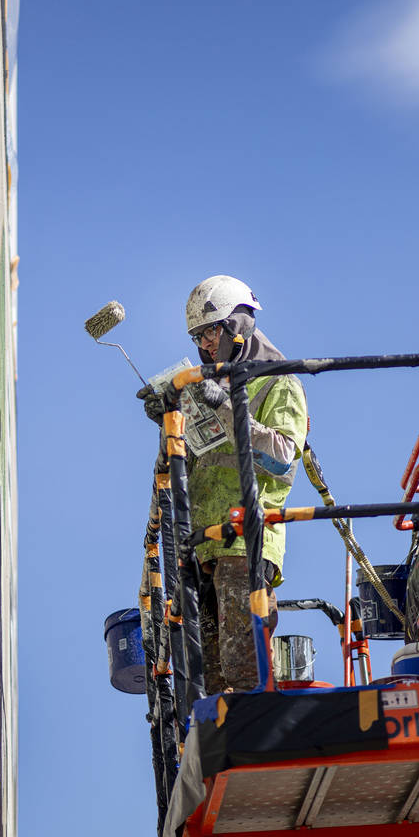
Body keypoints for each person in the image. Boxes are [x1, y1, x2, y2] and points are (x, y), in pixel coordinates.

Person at [139, 275, 308, 693]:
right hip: (202, 542)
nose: (205, 344)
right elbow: (187, 467)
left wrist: (231, 409)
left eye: (211, 331)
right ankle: (221, 742)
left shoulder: (278, 380)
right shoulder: (208, 383)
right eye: (197, 336)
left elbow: (283, 457)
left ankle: (251, 730)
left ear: (239, 324)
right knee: (207, 673)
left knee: (241, 661)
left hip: (245, 536)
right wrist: (169, 417)